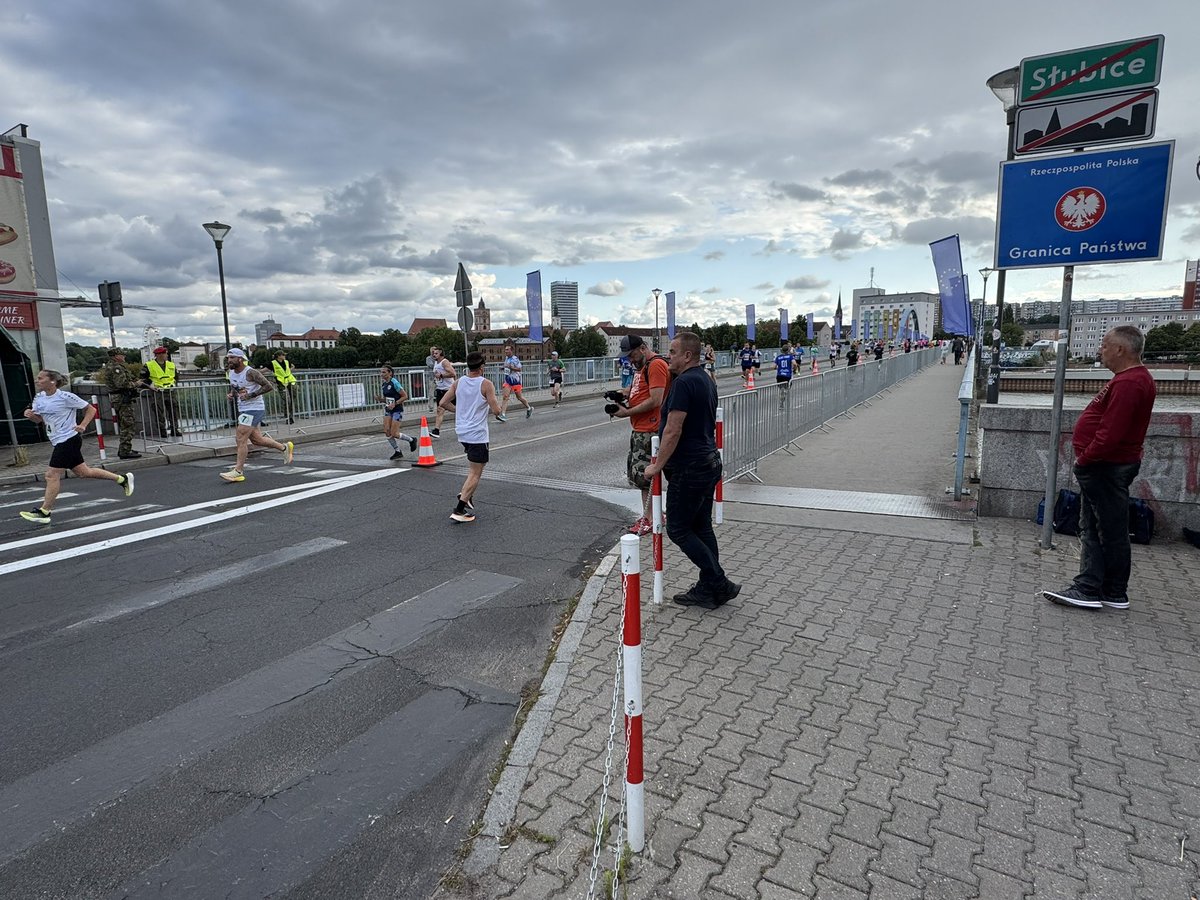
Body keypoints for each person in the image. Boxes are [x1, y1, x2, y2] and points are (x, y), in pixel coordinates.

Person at [1042, 326, 1157, 611]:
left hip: (1106, 466)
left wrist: (1085, 459)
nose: (1100, 350)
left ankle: (1090, 588)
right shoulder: (1130, 380)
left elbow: (1110, 433)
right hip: (1108, 464)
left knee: (1099, 530)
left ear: (1121, 349)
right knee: (1104, 527)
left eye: (1105, 345)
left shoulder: (1130, 383)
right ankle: (1110, 590)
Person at [644, 332, 739, 609]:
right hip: (708, 462)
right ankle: (710, 588)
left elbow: (673, 429)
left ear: (687, 355)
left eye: (672, 352)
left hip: (690, 468)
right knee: (701, 526)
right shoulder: (706, 379)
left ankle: (717, 581)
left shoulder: (685, 383)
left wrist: (657, 465)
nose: (668, 356)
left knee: (678, 528)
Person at [18, 369, 134, 524]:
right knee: (84, 472)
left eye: (40, 378)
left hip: (69, 439)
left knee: (51, 475)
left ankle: (44, 512)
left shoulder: (65, 397)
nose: (37, 380)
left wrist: (83, 425)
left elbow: (91, 409)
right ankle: (122, 479)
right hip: (57, 440)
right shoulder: (39, 397)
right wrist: (32, 416)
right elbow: (39, 420)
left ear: (52, 381)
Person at [610, 334, 670, 536]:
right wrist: (622, 394)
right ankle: (653, 516)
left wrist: (626, 412)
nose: (630, 359)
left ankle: (652, 520)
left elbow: (655, 400)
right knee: (641, 476)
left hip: (650, 430)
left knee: (645, 477)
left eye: (632, 354)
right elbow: (639, 390)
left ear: (643, 348)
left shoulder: (656, 365)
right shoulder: (642, 368)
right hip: (641, 429)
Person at [438, 351, 503, 523]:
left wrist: (459, 411)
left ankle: (466, 494)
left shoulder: (459, 382)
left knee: (478, 467)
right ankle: (459, 509)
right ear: (482, 367)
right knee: (476, 472)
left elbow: (443, 403)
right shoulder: (486, 384)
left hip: (462, 432)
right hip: (477, 434)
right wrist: (501, 406)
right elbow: (496, 411)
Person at [220, 348, 294, 483]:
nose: (229, 360)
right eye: (228, 358)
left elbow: (269, 386)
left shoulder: (251, 372)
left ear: (240, 359)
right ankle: (284, 447)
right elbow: (236, 387)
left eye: (232, 358)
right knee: (257, 440)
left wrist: (251, 395)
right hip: (243, 408)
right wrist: (232, 394)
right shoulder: (231, 372)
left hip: (254, 409)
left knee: (240, 437)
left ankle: (238, 471)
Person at [102, 348, 141, 459]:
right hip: (122, 398)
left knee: (125, 423)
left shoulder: (114, 366)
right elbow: (121, 384)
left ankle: (126, 448)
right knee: (128, 424)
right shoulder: (116, 368)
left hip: (120, 398)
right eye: (121, 354)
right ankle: (125, 450)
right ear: (115, 356)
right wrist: (136, 384)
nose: (124, 356)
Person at [377, 364, 418, 460]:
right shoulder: (384, 384)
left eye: (384, 372)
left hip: (397, 410)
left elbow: (405, 396)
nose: (381, 374)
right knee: (387, 432)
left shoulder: (394, 382)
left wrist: (395, 404)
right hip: (388, 410)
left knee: (394, 433)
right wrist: (381, 400)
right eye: (381, 372)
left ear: (390, 373)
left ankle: (411, 440)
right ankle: (397, 451)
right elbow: (388, 399)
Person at [140, 346, 180, 438]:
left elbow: (176, 377)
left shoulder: (171, 365)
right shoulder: (149, 365)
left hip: (170, 391)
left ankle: (174, 429)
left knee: (174, 411)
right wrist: (151, 386)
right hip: (157, 392)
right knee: (159, 412)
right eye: (165, 353)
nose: (167, 355)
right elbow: (142, 378)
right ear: (159, 355)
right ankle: (162, 430)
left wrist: (174, 384)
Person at [498, 341, 532, 420]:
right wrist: (503, 368)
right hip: (508, 380)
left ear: (511, 351)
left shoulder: (515, 359)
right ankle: (503, 414)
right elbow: (506, 366)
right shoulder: (506, 358)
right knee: (505, 397)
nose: (505, 351)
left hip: (515, 381)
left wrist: (511, 368)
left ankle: (529, 408)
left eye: (507, 350)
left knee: (519, 397)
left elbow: (519, 369)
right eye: (505, 350)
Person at [430, 346, 456, 437]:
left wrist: (441, 375)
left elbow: (453, 373)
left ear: (441, 354)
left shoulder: (444, 362)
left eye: (436, 353)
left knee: (448, 407)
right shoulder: (436, 363)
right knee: (440, 410)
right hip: (440, 389)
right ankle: (436, 430)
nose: (434, 355)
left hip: (448, 389)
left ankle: (463, 414)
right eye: (433, 353)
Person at [271, 350, 299, 424]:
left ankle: (291, 416)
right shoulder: (273, 363)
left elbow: (292, 366)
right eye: (283, 355)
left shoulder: (286, 362)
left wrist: (289, 371)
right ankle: (287, 417)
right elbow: (264, 370)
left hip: (290, 381)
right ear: (279, 356)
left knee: (292, 399)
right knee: (287, 400)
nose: (284, 356)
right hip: (281, 383)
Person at [774, 342, 797, 409]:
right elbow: (795, 364)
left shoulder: (778, 357)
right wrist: (794, 370)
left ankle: (781, 402)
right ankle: (782, 401)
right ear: (788, 350)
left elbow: (774, 367)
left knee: (781, 389)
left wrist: (779, 367)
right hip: (787, 375)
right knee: (787, 389)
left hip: (779, 375)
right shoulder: (790, 356)